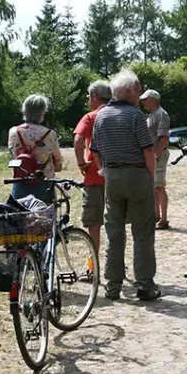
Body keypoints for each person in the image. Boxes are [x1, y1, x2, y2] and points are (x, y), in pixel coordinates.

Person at [90, 69, 160, 301]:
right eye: (138, 89)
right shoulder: (135, 115)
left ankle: (113, 286)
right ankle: (145, 285)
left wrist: (104, 171)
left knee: (114, 232)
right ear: (128, 90)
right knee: (142, 232)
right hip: (137, 175)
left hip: (112, 177)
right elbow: (148, 150)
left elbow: (95, 151)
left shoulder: (101, 115)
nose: (139, 94)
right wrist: (150, 177)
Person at [74, 80, 111, 252]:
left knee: (94, 224)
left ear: (94, 97)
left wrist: (81, 162)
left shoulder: (90, 116)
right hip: (116, 176)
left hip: (94, 175)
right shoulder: (119, 113)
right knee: (116, 223)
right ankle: (117, 264)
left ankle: (93, 266)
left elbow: (78, 139)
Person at [8, 94, 64, 205]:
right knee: (45, 216)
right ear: (42, 112)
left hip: (21, 178)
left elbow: (12, 153)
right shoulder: (49, 133)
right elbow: (57, 157)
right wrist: (57, 166)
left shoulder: (14, 132)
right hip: (43, 181)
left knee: (18, 214)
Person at [140, 89, 171, 229]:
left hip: (158, 155)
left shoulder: (161, 114)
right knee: (154, 187)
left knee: (159, 186)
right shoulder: (151, 115)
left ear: (153, 99)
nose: (143, 102)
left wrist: (156, 155)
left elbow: (163, 138)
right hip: (152, 156)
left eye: (146, 99)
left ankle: (164, 219)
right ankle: (156, 216)